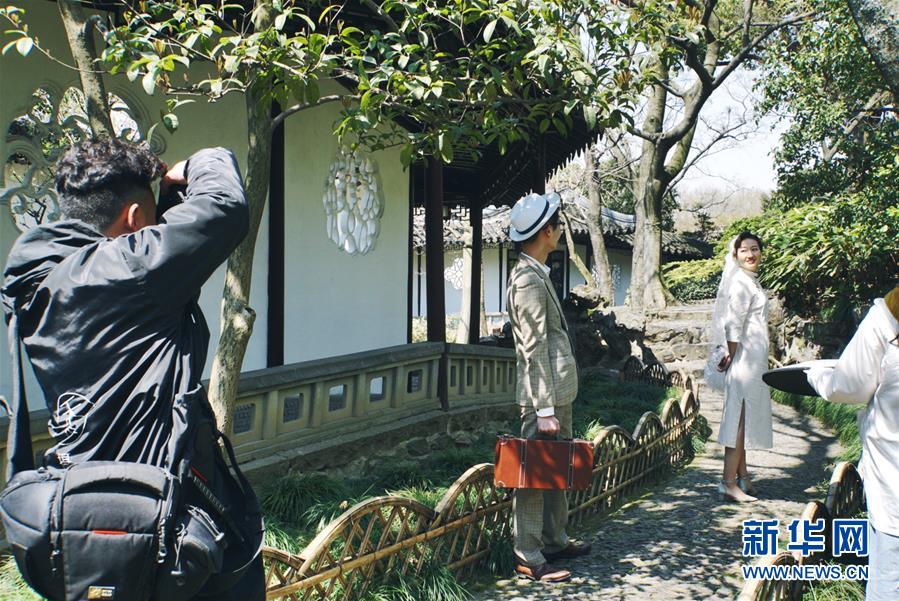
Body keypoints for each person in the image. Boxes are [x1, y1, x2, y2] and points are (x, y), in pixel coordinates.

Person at [1, 138, 264, 599]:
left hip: (84, 520)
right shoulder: (129, 269)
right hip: (167, 526)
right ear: (136, 219)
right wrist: (201, 161)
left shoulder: (37, 282)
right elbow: (225, 207)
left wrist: (167, 200)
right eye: (153, 221)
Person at [505, 192, 590, 583]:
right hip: (544, 397)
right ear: (545, 232)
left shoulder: (536, 271)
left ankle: (554, 540)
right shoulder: (527, 280)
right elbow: (533, 346)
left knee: (556, 470)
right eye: (558, 225)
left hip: (557, 392)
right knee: (534, 476)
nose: (560, 231)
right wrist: (543, 409)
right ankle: (528, 554)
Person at [806, 285, 899, 601]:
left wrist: (816, 377)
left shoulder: (890, 313)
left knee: (889, 579)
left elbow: (849, 386)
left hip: (894, 485)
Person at [707, 231, 773, 503]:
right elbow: (732, 325)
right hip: (743, 360)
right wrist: (733, 356)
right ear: (735, 255)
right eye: (744, 250)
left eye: (754, 248)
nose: (750, 254)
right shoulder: (740, 284)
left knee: (743, 419)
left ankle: (742, 477)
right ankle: (728, 482)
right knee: (737, 421)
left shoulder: (750, 281)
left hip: (754, 359)